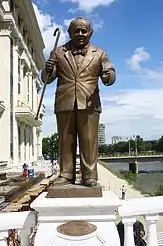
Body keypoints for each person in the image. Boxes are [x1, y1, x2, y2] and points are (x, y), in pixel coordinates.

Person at [41, 17, 116, 187]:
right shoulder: (58, 52)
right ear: (69, 33)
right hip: (64, 101)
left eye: (84, 30)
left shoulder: (100, 53)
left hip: (89, 103)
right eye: (76, 30)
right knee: (65, 141)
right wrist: (47, 69)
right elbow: (47, 79)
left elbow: (110, 72)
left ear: (90, 33)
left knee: (89, 141)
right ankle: (66, 174)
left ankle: (89, 175)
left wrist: (108, 76)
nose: (80, 33)